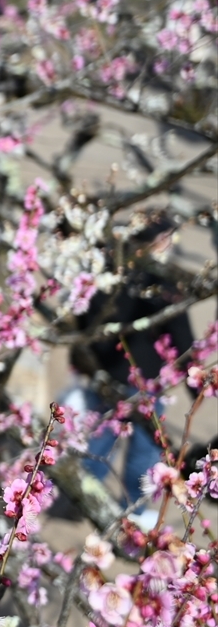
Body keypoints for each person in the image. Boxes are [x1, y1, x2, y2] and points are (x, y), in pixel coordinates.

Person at [64, 214, 194, 524]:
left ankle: (79, 492)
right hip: (143, 378)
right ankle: (133, 509)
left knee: (101, 435)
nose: (171, 246)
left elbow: (86, 321)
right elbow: (182, 335)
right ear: (156, 241)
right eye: (168, 239)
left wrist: (83, 359)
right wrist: (195, 382)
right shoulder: (160, 281)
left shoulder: (110, 269)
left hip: (108, 372)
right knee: (145, 448)